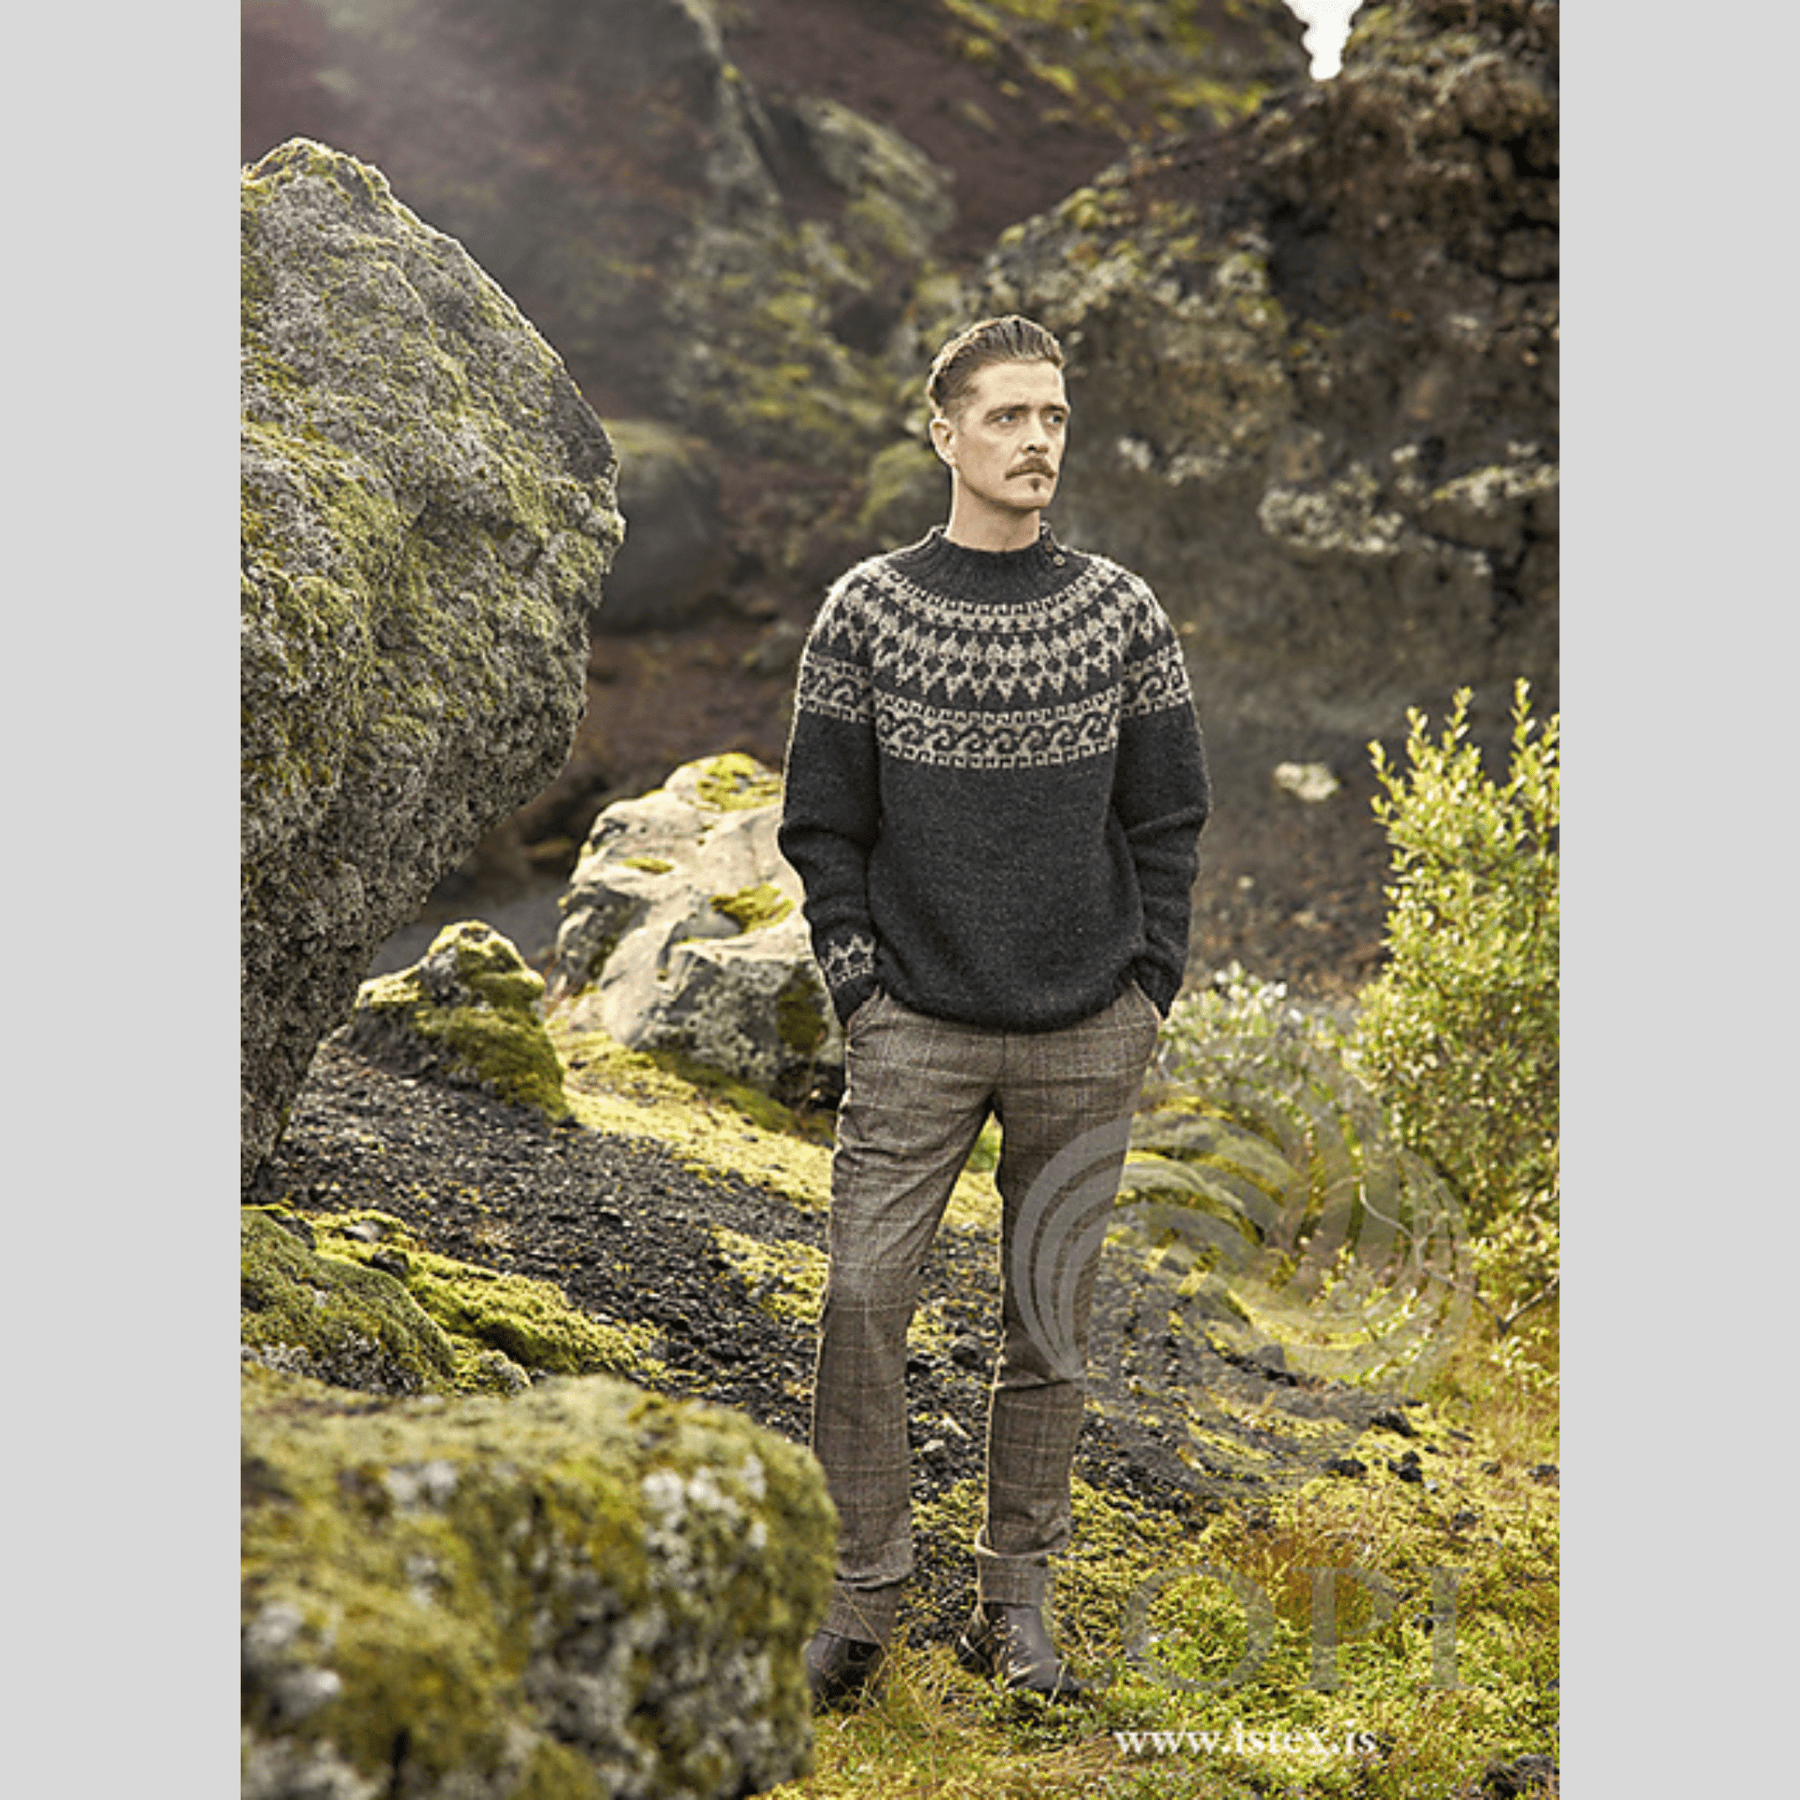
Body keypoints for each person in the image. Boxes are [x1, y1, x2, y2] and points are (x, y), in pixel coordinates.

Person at [777, 314, 1211, 1708]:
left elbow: (1169, 818)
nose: (1037, 441)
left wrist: (1149, 986)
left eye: (1054, 417)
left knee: (1050, 1323)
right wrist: (860, 987)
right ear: (944, 432)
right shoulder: (867, 612)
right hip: (916, 1021)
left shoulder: (1120, 613)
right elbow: (823, 826)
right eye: (1009, 415)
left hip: (1088, 1023)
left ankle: (1014, 1609)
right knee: (861, 1299)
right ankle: (859, 1603)